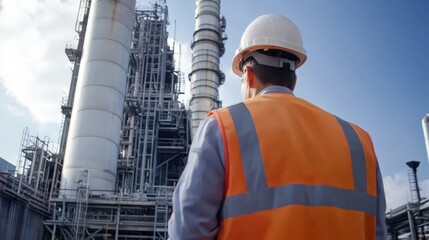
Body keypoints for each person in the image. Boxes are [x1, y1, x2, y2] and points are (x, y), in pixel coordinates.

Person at [168, 14, 387, 240]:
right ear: (294, 80)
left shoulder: (221, 128)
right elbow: (378, 233)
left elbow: (186, 232)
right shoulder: (359, 141)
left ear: (248, 76)